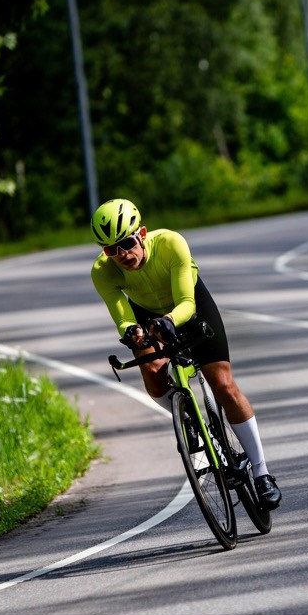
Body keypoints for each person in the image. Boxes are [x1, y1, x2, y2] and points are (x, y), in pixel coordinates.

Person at [90, 198, 281, 511]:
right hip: (148, 313)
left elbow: (187, 305)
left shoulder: (171, 244)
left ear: (142, 234)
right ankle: (188, 419)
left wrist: (168, 322)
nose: (122, 254)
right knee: (152, 374)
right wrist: (131, 330)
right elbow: (122, 314)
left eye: (126, 243)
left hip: (189, 305)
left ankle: (262, 473)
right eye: (111, 249)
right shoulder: (102, 272)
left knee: (224, 386)